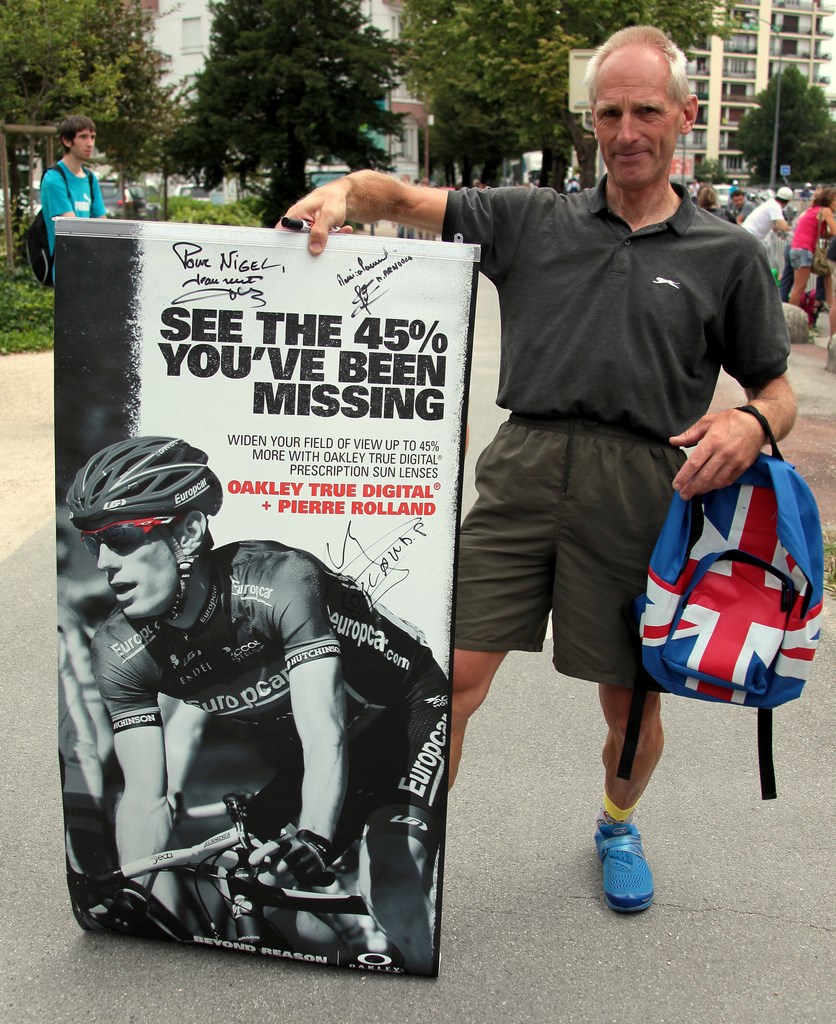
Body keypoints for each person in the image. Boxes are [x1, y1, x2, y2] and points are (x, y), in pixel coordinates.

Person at [280, 25, 796, 915]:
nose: (626, 130)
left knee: (629, 711)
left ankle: (617, 824)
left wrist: (752, 424)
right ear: (589, 120)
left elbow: (778, 389)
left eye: (645, 111)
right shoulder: (530, 219)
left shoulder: (727, 255)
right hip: (522, 475)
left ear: (685, 114)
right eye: (608, 112)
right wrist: (340, 192)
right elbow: (396, 197)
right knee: (442, 684)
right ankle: (408, 849)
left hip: (643, 490)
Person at [66, 435, 447, 972]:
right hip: (322, 749)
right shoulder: (119, 650)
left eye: (122, 535)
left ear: (189, 532)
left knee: (393, 870)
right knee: (259, 888)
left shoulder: (278, 582)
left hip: (408, 712)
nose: (104, 561)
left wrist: (314, 836)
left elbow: (324, 733)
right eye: (92, 543)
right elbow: (146, 799)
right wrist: (136, 888)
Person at [40, 115, 107, 281]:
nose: (90, 143)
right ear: (67, 141)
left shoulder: (90, 179)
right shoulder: (54, 179)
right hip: (68, 271)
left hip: (92, 269)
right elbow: (72, 230)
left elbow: (104, 226)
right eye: (83, 137)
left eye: (92, 137)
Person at [788, 187, 836, 334]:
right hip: (804, 249)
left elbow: (822, 232)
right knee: (799, 288)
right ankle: (790, 321)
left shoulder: (813, 210)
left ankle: (828, 303)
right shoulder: (825, 211)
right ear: (829, 201)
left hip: (798, 248)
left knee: (822, 276)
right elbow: (835, 232)